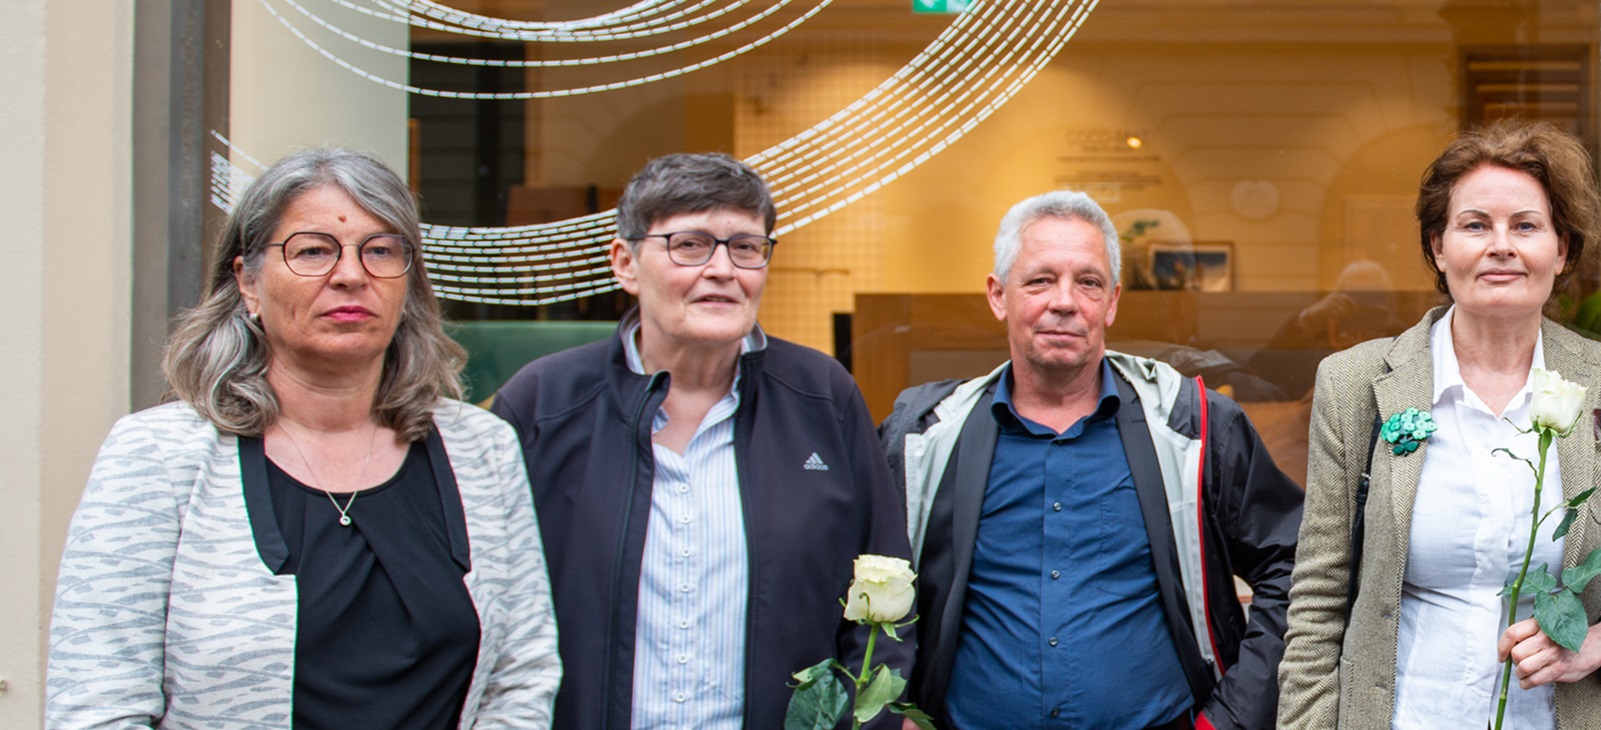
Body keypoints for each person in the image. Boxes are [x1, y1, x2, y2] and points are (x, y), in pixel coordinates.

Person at [48, 148, 558, 728]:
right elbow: (98, 704)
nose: (350, 275)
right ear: (247, 282)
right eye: (313, 250)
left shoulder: (482, 449)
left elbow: (523, 674)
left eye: (382, 251)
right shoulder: (156, 459)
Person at [1278, 120, 1601, 730]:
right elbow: (1318, 601)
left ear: (1562, 249)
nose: (1501, 246)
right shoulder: (1355, 384)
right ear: (1438, 247)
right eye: (1474, 225)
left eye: (1525, 225)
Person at [492, 152, 910, 729]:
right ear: (625, 263)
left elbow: (885, 594)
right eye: (689, 245)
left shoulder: (822, 397)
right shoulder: (543, 404)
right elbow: (490, 612)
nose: (722, 269)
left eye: (745, 247)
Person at [878, 190, 1302, 729]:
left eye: (1088, 281)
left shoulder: (1192, 428)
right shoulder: (925, 438)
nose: (1064, 301)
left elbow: (1292, 565)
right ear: (997, 295)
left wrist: (1229, 720)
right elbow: (848, 585)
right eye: (1040, 280)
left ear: (1112, 301)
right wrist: (888, 716)